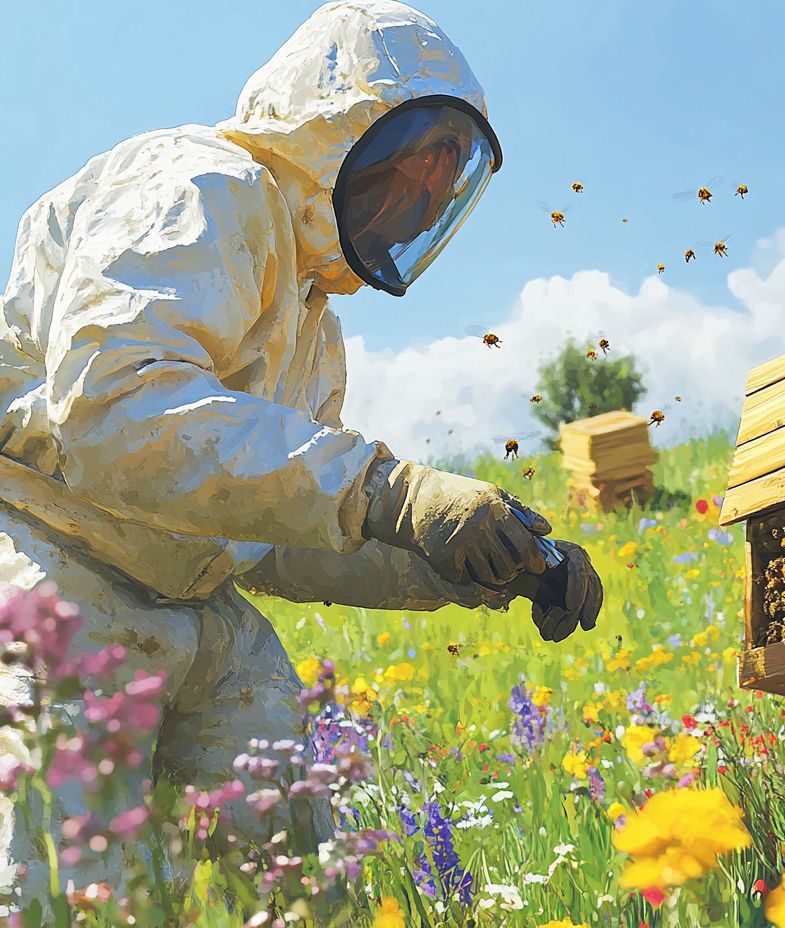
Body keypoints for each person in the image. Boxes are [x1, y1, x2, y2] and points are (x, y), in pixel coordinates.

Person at [0, 0, 603, 907]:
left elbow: (280, 535)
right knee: (61, 892)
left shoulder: (317, 336)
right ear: (338, 129)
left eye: (429, 203)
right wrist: (389, 490)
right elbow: (116, 409)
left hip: (196, 605)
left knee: (305, 877)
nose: (408, 215)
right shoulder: (199, 187)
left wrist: (475, 564)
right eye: (402, 182)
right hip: (52, 571)